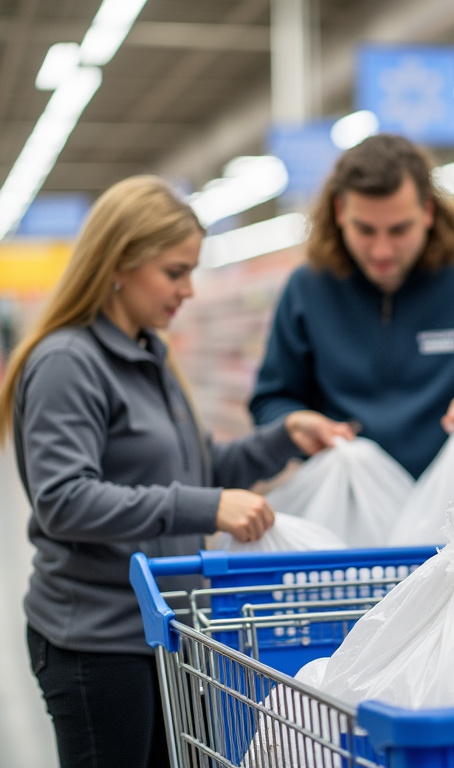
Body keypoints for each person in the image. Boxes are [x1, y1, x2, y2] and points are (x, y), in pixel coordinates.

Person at [0, 175, 348, 768]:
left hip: (167, 635)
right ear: (119, 264)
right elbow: (64, 499)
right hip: (98, 643)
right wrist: (203, 506)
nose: (188, 290)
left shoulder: (149, 353)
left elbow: (199, 466)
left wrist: (282, 439)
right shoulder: (68, 363)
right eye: (175, 271)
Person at [249, 133, 454, 479]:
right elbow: (270, 401)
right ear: (339, 213)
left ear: (427, 211)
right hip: (346, 499)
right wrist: (295, 425)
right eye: (365, 230)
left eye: (399, 230)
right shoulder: (306, 289)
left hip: (453, 506)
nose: (382, 251)